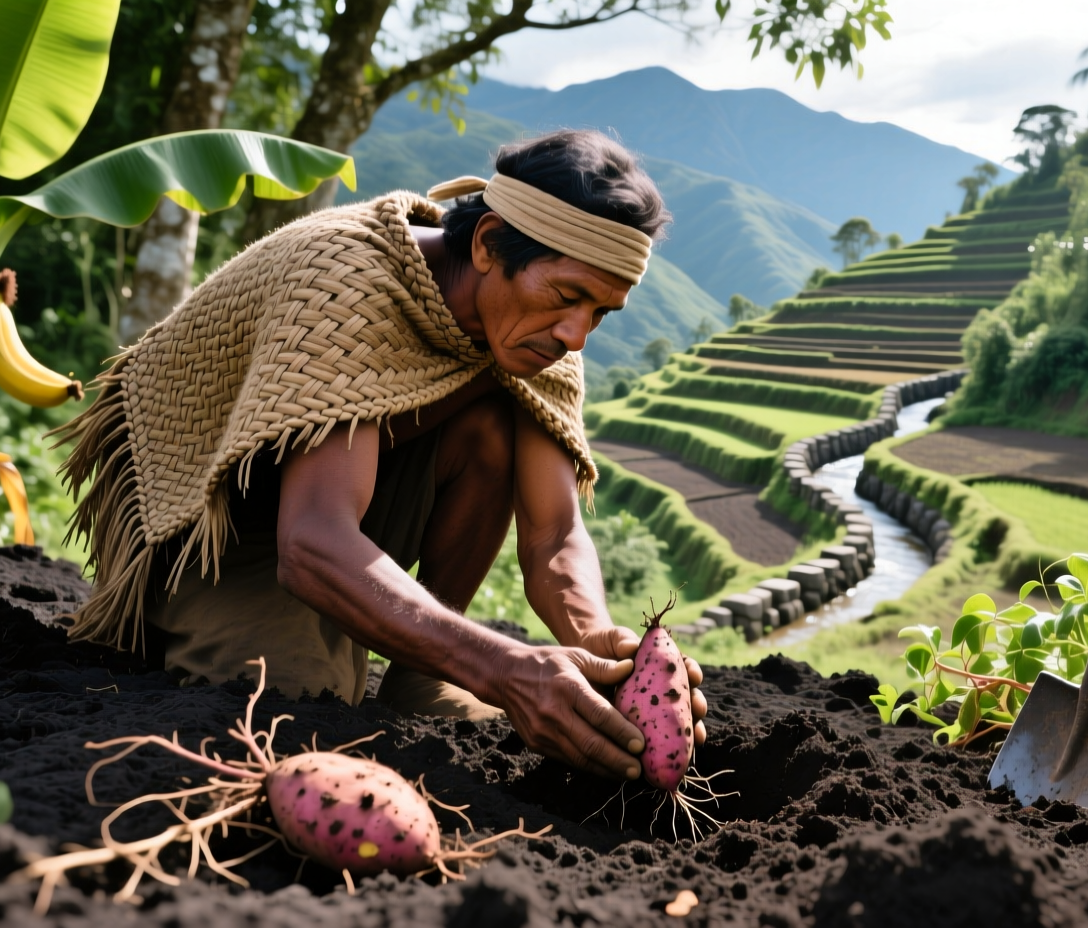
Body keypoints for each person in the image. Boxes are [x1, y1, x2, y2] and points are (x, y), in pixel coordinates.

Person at [58, 130, 705, 782]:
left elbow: (555, 532)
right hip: (218, 515)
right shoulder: (344, 284)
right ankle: (209, 613)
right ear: (486, 245)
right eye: (567, 297)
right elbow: (310, 542)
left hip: (349, 498)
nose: (576, 335)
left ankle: (418, 670)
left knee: (496, 421)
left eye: (601, 312)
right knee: (298, 709)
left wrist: (599, 644)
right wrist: (501, 667)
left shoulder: (535, 340)